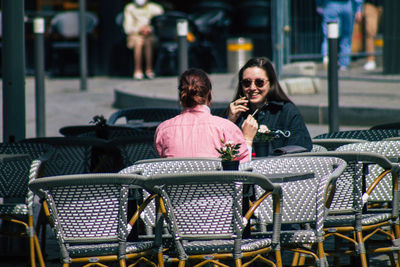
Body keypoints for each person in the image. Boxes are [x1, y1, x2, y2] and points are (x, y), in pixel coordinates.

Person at [154, 68, 258, 162]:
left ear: (181, 96)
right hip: (216, 183)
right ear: (210, 94)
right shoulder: (226, 128)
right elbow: (243, 167)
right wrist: (248, 139)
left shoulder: (163, 129)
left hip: (176, 183)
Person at [227, 57, 313, 152]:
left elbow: (300, 148)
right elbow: (221, 150)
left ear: (271, 83)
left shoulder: (286, 111)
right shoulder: (235, 112)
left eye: (259, 82)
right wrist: (229, 122)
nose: (252, 88)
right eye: (246, 83)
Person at [316, 0, 363, 70]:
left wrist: (319, 5)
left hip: (330, 5)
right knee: (346, 36)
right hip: (347, 5)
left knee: (328, 35)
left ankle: (327, 59)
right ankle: (344, 64)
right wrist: (358, 9)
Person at [123, 0, 164, 80]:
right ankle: (138, 70)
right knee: (139, 42)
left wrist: (150, 29)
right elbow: (127, 28)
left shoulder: (156, 8)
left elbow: (160, 24)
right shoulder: (129, 8)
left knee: (147, 41)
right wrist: (139, 29)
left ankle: (149, 70)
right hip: (135, 35)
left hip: (150, 36)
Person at [362, 0, 383, 71]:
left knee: (392, 33)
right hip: (371, 4)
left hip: (388, 5)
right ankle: (370, 59)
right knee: (370, 32)